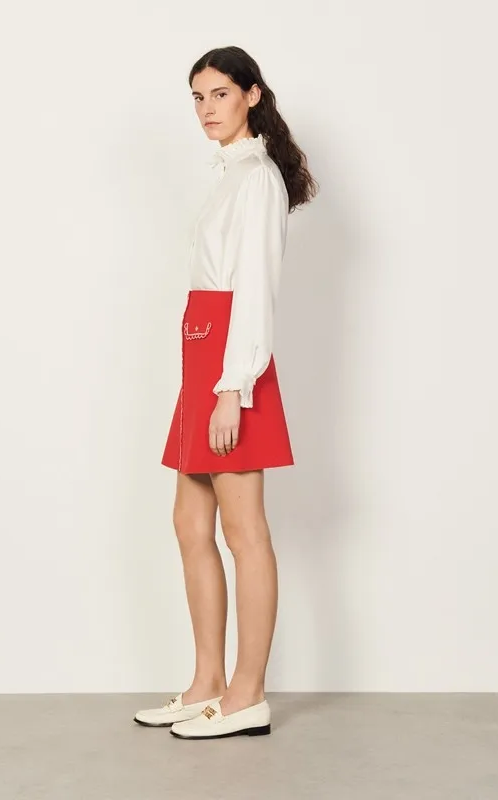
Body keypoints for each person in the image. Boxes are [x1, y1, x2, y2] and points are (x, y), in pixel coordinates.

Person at [134, 46, 317, 740]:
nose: (207, 108)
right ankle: (207, 682)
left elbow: (255, 290)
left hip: (230, 364)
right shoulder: (228, 175)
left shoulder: (258, 179)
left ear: (252, 95)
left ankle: (247, 696)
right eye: (197, 97)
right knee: (190, 524)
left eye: (219, 94)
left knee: (245, 531)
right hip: (201, 353)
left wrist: (232, 386)